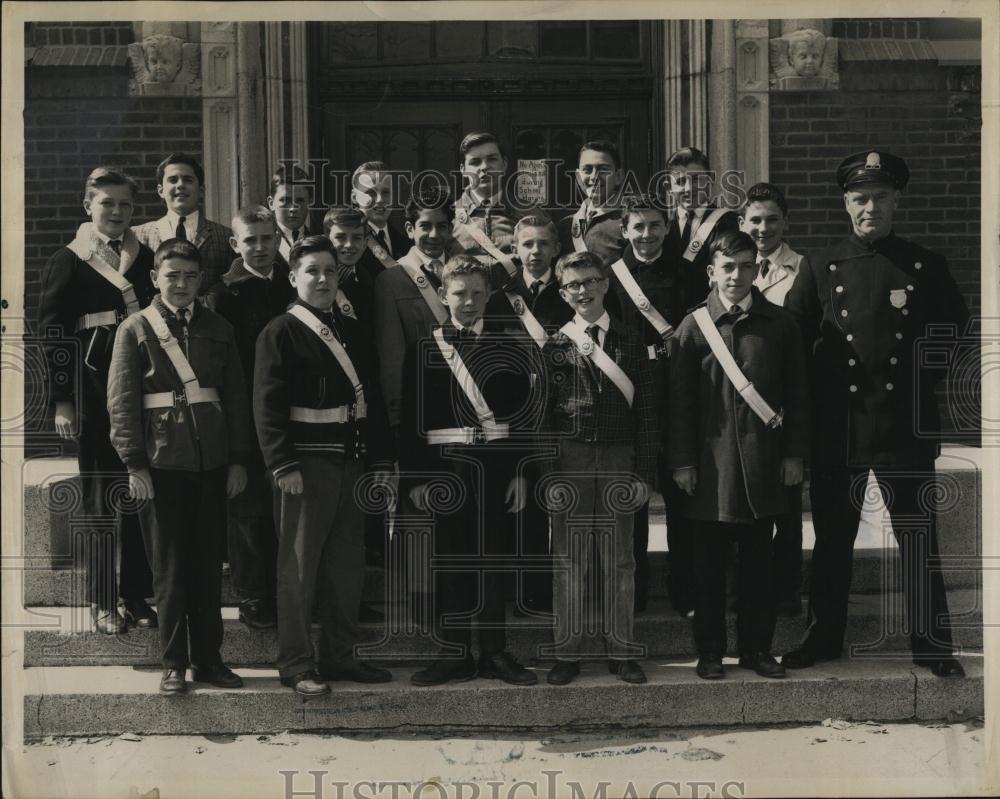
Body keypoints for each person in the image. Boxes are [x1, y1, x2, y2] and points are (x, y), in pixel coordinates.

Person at [782, 151, 970, 678]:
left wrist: (917, 380)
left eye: (881, 198)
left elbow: (953, 326)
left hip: (902, 422)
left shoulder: (923, 264)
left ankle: (932, 646)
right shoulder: (820, 265)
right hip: (838, 424)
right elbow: (796, 341)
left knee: (916, 538)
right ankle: (822, 639)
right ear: (846, 203)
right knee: (832, 541)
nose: (871, 207)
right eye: (861, 198)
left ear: (896, 201)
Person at [107, 239, 250, 695]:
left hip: (211, 462)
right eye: (173, 275)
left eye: (191, 276)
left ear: (201, 279)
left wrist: (238, 459)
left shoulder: (219, 326)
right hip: (162, 462)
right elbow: (122, 401)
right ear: (155, 278)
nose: (183, 284)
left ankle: (210, 659)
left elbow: (237, 397)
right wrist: (134, 463)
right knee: (169, 569)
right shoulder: (135, 328)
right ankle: (174, 663)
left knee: (208, 565)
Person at [253, 236, 393, 696]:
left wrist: (380, 459)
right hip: (304, 465)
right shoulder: (280, 330)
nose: (322, 279)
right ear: (293, 278)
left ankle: (339, 655)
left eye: (330, 271)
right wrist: (282, 463)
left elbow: (369, 397)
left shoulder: (351, 328)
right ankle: (296, 663)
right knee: (298, 569)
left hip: (350, 459)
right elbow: (267, 407)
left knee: (346, 566)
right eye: (312, 270)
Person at [669, 230, 809, 680]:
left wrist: (793, 455)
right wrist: (683, 462)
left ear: (757, 269)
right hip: (711, 469)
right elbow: (680, 405)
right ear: (711, 272)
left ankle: (757, 650)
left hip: (764, 464)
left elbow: (798, 396)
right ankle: (710, 652)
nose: (737, 275)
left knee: (758, 569)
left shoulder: (781, 325)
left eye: (746, 265)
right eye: (727, 267)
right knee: (708, 569)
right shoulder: (692, 328)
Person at [401, 255, 542, 687]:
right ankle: (455, 653)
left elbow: (521, 416)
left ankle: (495, 653)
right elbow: (412, 420)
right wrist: (416, 480)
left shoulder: (508, 344)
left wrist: (521, 472)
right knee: (451, 562)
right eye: (459, 293)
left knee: (494, 561)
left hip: (495, 468)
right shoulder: (425, 347)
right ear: (443, 295)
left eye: (478, 293)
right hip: (446, 470)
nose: (468, 302)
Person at [37, 166, 157, 634]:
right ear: (88, 206)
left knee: (139, 490)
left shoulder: (144, 257)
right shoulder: (69, 259)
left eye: (125, 204)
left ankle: (137, 594)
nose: (117, 212)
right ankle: (103, 599)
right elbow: (53, 336)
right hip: (91, 390)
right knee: (100, 497)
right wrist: (62, 400)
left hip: (140, 388)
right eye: (107, 203)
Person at [543, 250, 659, 686]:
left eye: (591, 281)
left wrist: (645, 472)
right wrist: (549, 472)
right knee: (569, 560)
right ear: (563, 292)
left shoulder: (632, 338)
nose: (583, 290)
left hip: (618, 458)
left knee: (619, 560)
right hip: (570, 458)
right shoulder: (556, 343)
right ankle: (567, 653)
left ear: (606, 284)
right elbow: (545, 414)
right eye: (573, 284)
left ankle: (623, 651)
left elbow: (647, 410)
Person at [205, 205, 295, 630]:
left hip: (289, 412)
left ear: (278, 240)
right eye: (251, 240)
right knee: (248, 510)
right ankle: (253, 595)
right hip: (242, 410)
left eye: (267, 238)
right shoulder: (223, 294)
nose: (260, 248)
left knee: (285, 507)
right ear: (234, 244)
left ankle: (288, 590)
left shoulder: (291, 287)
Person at [483, 213, 572, 616]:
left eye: (543, 244)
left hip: (567, 414)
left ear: (556, 249)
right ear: (515, 251)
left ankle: (568, 591)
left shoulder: (572, 293)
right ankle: (528, 590)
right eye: (527, 245)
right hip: (518, 417)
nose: (535, 252)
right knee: (525, 507)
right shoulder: (500, 299)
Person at [607, 194, 686, 614]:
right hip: (630, 393)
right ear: (624, 230)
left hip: (675, 390)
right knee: (634, 492)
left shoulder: (688, 274)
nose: (647, 234)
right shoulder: (610, 277)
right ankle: (632, 591)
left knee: (680, 494)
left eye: (655, 225)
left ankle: (683, 587)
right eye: (638, 226)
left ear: (667, 228)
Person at [740, 182, 810, 615]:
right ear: (741, 224)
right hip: (740, 403)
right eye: (755, 220)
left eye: (771, 220)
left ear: (785, 222)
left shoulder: (805, 270)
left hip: (784, 401)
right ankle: (745, 589)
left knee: (786, 503)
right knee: (742, 503)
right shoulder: (729, 268)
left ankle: (786, 590)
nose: (763, 228)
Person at [132, 152, 232, 295]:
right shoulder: (138, 235)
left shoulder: (224, 236)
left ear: (201, 190)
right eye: (173, 180)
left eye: (188, 180)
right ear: (161, 190)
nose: (180, 185)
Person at [662, 147, 741, 311]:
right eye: (680, 181)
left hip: (711, 318)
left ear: (710, 179)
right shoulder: (662, 226)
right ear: (668, 186)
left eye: (697, 179)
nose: (689, 188)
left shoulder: (728, 223)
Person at [452, 131, 524, 258]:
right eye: (475, 162)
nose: (484, 166)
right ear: (463, 169)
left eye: (492, 159)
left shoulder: (529, 214)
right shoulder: (448, 217)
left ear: (505, 164)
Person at [556, 140, 628, 266]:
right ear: (578, 177)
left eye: (603, 169)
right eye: (587, 170)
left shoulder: (631, 219)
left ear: (618, 177)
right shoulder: (566, 225)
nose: (594, 177)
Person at [269, 165, 313, 267]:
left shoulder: (320, 239)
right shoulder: (261, 243)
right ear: (271, 203)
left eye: (300, 200)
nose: (293, 208)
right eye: (285, 200)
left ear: (309, 202)